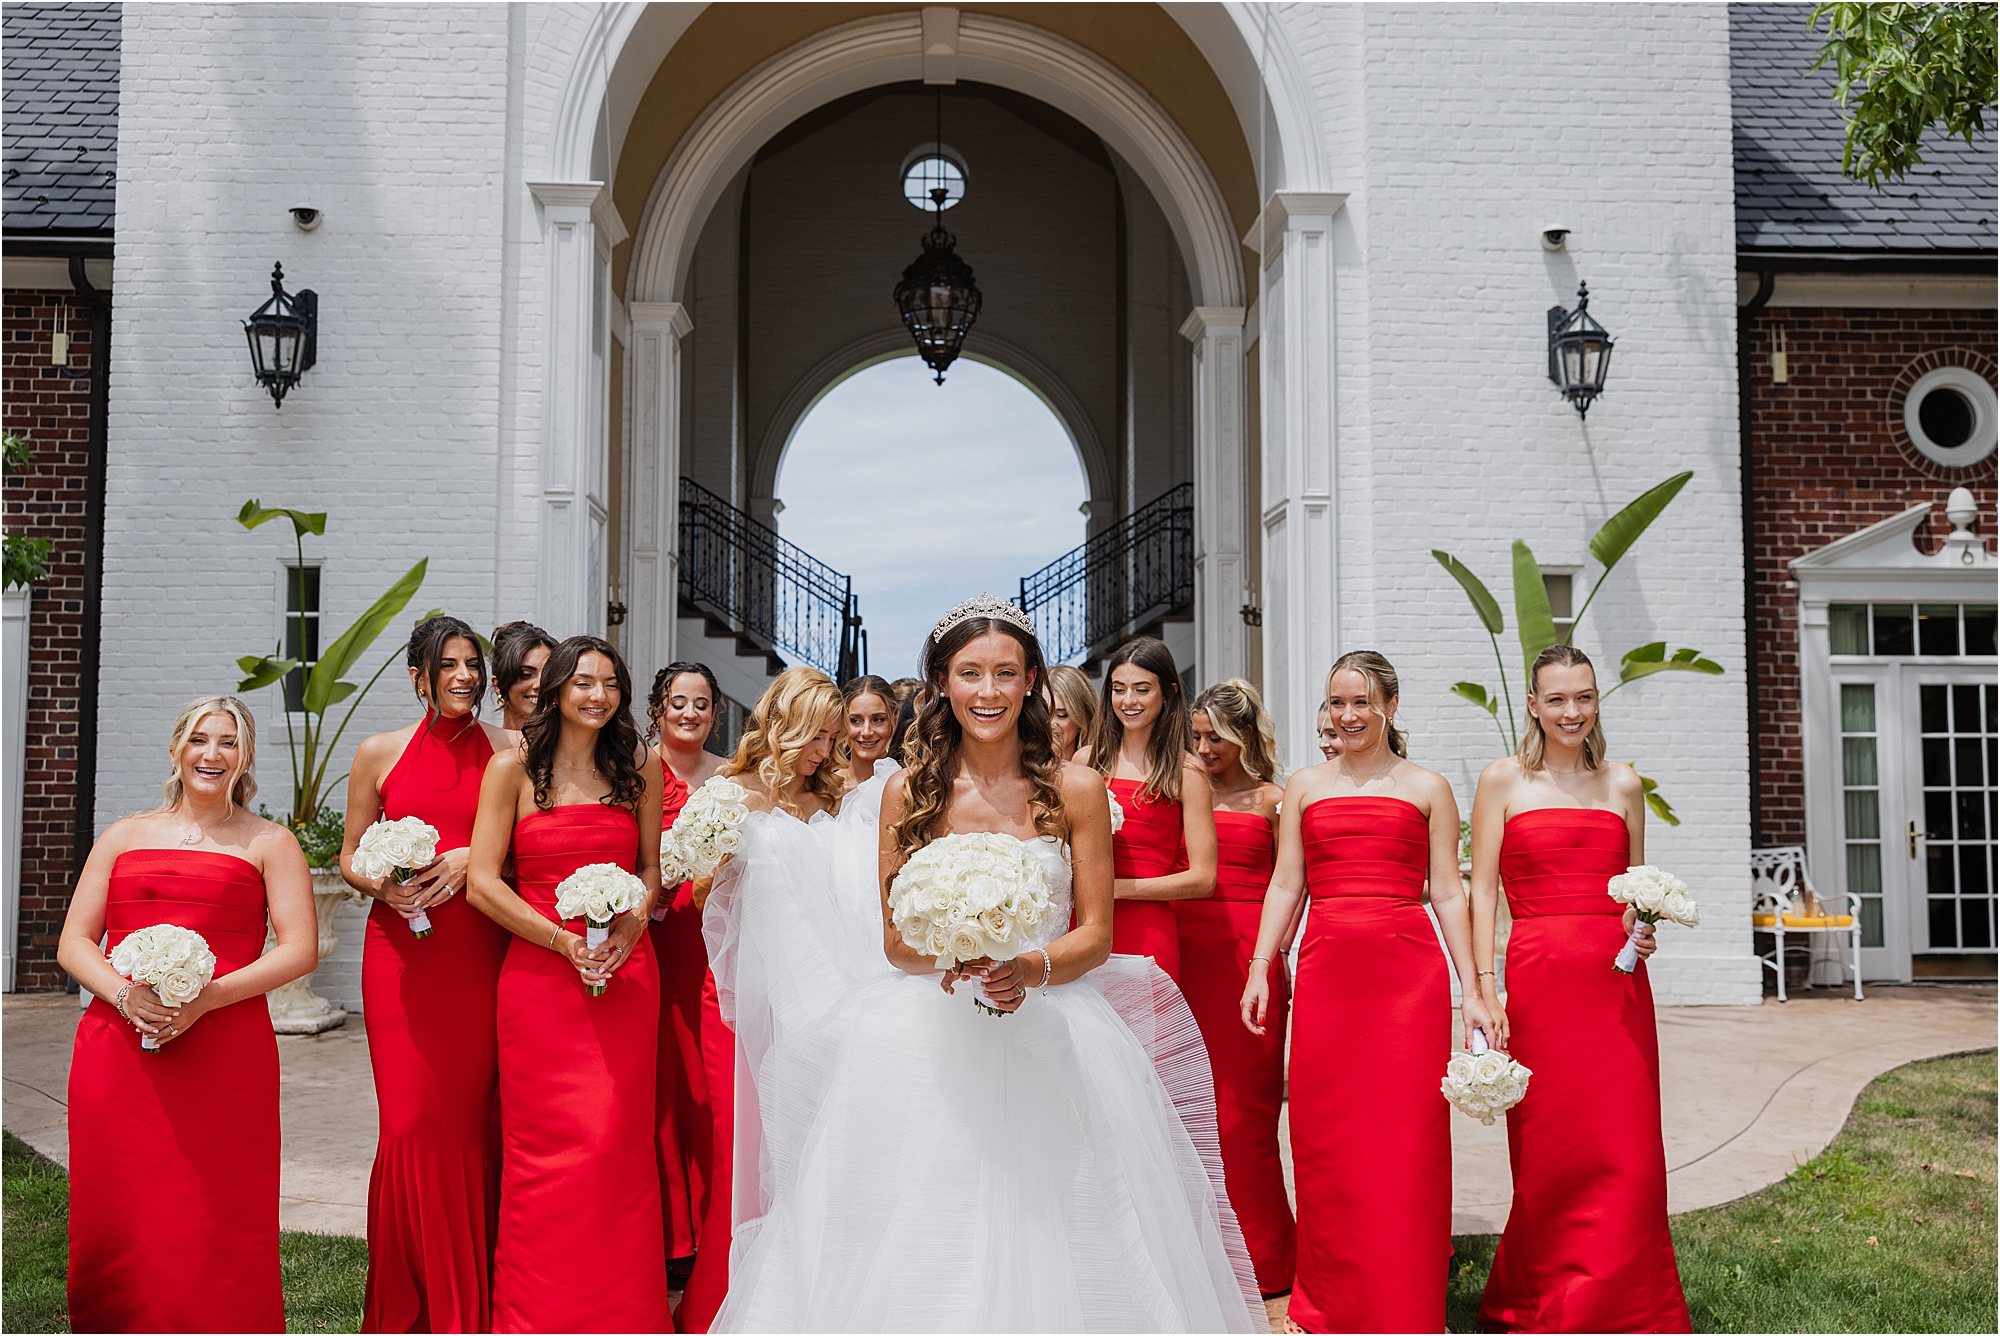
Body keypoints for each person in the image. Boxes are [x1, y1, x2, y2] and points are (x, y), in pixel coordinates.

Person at [706, 594, 1262, 1331]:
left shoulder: (1076, 788)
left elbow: (1095, 930)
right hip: (925, 1035)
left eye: (1006, 672)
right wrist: (958, 953)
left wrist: (1031, 966)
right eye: (970, 673)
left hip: (1055, 1027)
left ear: (1032, 679)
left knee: (1074, 1225)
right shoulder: (908, 791)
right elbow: (897, 944)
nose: (989, 691)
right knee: (916, 1230)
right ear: (941, 682)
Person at [1241, 651, 1497, 1333]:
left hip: (1405, 980)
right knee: (1327, 1141)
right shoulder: (1303, 785)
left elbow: (1447, 890)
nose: (1346, 716)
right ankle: (1327, 1303)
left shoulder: (1428, 787)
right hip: (1326, 972)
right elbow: (1287, 883)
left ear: (1390, 705)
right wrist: (1262, 964)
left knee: (1406, 1141)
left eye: (1359, 702)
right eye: (1335, 704)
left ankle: (1407, 1306)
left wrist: (1474, 986)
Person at [61, 696, 318, 1333]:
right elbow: (74, 942)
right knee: (121, 1203)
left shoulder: (271, 842)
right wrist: (125, 996)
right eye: (201, 739)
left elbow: (300, 949)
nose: (212, 754)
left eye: (229, 742)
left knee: (214, 1206)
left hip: (225, 1049)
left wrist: (205, 1001)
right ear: (177, 748)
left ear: (246, 758)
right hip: (117, 1047)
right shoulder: (123, 835)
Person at [1472, 645, 1688, 1333]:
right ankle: (1545, 1298)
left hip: (1615, 982)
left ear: (1597, 701)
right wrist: (1483, 986)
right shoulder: (1501, 781)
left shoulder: (1624, 784)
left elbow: (1634, 892)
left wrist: (1642, 927)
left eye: (1584, 697)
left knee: (1624, 1145)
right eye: (1557, 699)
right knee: (1551, 1145)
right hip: (1537, 975)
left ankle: (1629, 1304)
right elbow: (1480, 891)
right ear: (1532, 704)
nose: (1572, 712)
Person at [467, 636, 669, 1333]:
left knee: (615, 1145)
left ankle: (623, 1316)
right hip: (539, 984)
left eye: (610, 683)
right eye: (583, 681)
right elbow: (482, 882)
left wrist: (631, 928)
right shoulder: (512, 769)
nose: (597, 695)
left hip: (625, 971)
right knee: (543, 1156)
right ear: (555, 688)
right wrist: (559, 940)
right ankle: (536, 1316)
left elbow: (649, 869)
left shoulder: (640, 763)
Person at [340, 616, 516, 1332]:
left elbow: (527, 839)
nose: (465, 676)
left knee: (472, 1122)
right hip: (399, 956)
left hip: (478, 951)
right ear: (419, 675)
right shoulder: (377, 753)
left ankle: (470, 1300)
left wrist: (470, 854)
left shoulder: (509, 749)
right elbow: (350, 852)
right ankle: (409, 1301)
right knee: (411, 1124)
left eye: (473, 663)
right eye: (449, 664)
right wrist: (380, 883)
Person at [680, 666, 849, 1333]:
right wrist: (714, 866)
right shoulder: (730, 796)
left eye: (834, 739)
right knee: (754, 1150)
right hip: (754, 1001)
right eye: (818, 736)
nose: (826, 753)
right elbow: (696, 897)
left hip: (834, 999)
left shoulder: (836, 799)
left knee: (823, 1149)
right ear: (785, 725)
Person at [1184, 679, 1296, 1302]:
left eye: (1215, 738)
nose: (1203, 749)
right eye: (1196, 736)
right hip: (1187, 958)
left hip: (1248, 959)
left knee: (1245, 1117)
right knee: (1193, 1112)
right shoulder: (1181, 792)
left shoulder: (1276, 800)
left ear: (1246, 735)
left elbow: (1293, 886)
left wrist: (1276, 957)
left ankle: (1264, 1261)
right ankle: (1199, 1256)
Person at [644, 662, 729, 1288]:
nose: (690, 714)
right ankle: (665, 1232)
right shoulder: (634, 770)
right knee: (659, 1081)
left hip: (711, 944)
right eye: (678, 702)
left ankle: (707, 1226)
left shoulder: (730, 778)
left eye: (701, 704)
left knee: (706, 1086)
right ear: (658, 709)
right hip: (653, 940)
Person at [1080, 636, 1217, 982]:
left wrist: (1118, 889)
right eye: (1118, 688)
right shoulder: (1086, 761)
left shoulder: (1187, 773)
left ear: (1168, 693)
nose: (1128, 701)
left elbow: (1204, 878)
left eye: (1142, 689)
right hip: (1083, 926)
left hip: (1148, 931)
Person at [490, 621, 556, 732]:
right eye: (526, 675)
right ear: (497, 685)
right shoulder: (481, 746)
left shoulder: (572, 747)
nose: (539, 684)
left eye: (548, 675)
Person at [839, 673, 898, 790]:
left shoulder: (909, 786)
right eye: (855, 721)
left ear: (894, 722)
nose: (866, 732)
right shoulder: (824, 790)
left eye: (878, 720)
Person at [1044, 662, 1097, 761]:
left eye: (1061, 715)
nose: (1051, 723)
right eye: (1043, 714)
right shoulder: (1017, 768)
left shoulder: (1104, 769)